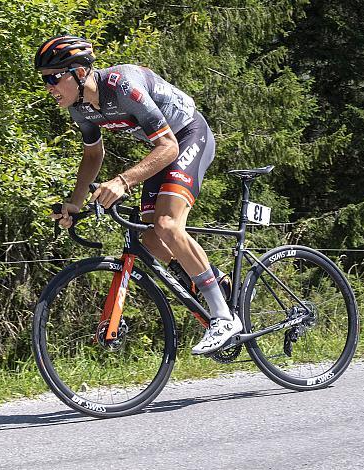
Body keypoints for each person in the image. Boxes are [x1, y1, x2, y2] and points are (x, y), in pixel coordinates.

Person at [35, 35, 242, 354]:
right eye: (44, 80)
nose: (48, 87)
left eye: (53, 78)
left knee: (168, 225)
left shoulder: (122, 86)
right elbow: (92, 156)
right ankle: (215, 280)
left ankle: (223, 317)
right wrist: (75, 203)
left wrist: (121, 182)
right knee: (150, 240)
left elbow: (170, 145)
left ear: (78, 71)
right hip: (160, 148)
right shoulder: (80, 108)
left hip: (187, 136)